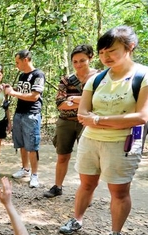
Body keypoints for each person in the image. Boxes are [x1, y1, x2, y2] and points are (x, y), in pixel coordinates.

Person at [59, 26, 148, 235]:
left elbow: (141, 116)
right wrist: (109, 120)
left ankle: (115, 234)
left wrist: (98, 119)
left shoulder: (143, 76)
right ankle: (77, 220)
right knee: (86, 184)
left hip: (123, 143)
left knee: (119, 191)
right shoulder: (96, 79)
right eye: (101, 52)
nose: (105, 57)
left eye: (111, 51)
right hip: (91, 141)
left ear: (130, 48)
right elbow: (82, 114)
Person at [43, 45, 98, 198]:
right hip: (65, 122)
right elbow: (60, 103)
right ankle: (57, 186)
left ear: (90, 58)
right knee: (62, 156)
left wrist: (73, 100)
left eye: (82, 60)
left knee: (86, 159)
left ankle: (86, 193)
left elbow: (99, 101)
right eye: (75, 61)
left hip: (87, 123)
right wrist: (85, 101)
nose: (78, 64)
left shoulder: (99, 77)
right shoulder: (67, 79)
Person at [4, 50, 45, 188]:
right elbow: (23, 92)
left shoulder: (38, 75)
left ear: (25, 60)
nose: (16, 65)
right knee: (21, 144)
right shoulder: (22, 76)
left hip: (31, 114)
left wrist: (13, 93)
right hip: (19, 113)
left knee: (32, 146)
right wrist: (11, 88)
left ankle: (34, 175)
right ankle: (25, 169)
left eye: (17, 62)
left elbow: (34, 96)